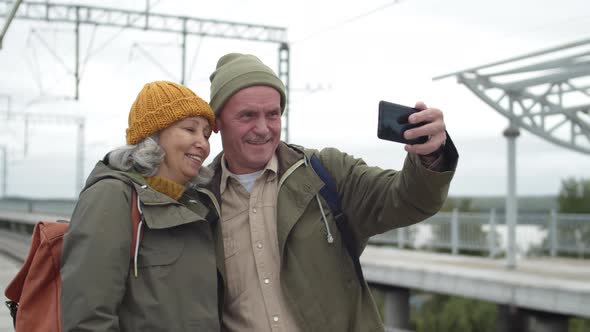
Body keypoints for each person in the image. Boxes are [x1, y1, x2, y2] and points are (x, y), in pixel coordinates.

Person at [205, 53, 459, 332]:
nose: (263, 128)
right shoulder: (198, 201)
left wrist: (431, 156)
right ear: (216, 122)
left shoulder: (325, 172)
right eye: (247, 116)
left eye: (273, 114)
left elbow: (409, 200)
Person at [60, 81, 222, 331]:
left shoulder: (197, 205)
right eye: (190, 129)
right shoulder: (113, 196)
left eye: (206, 134)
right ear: (153, 136)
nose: (203, 143)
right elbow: (88, 318)